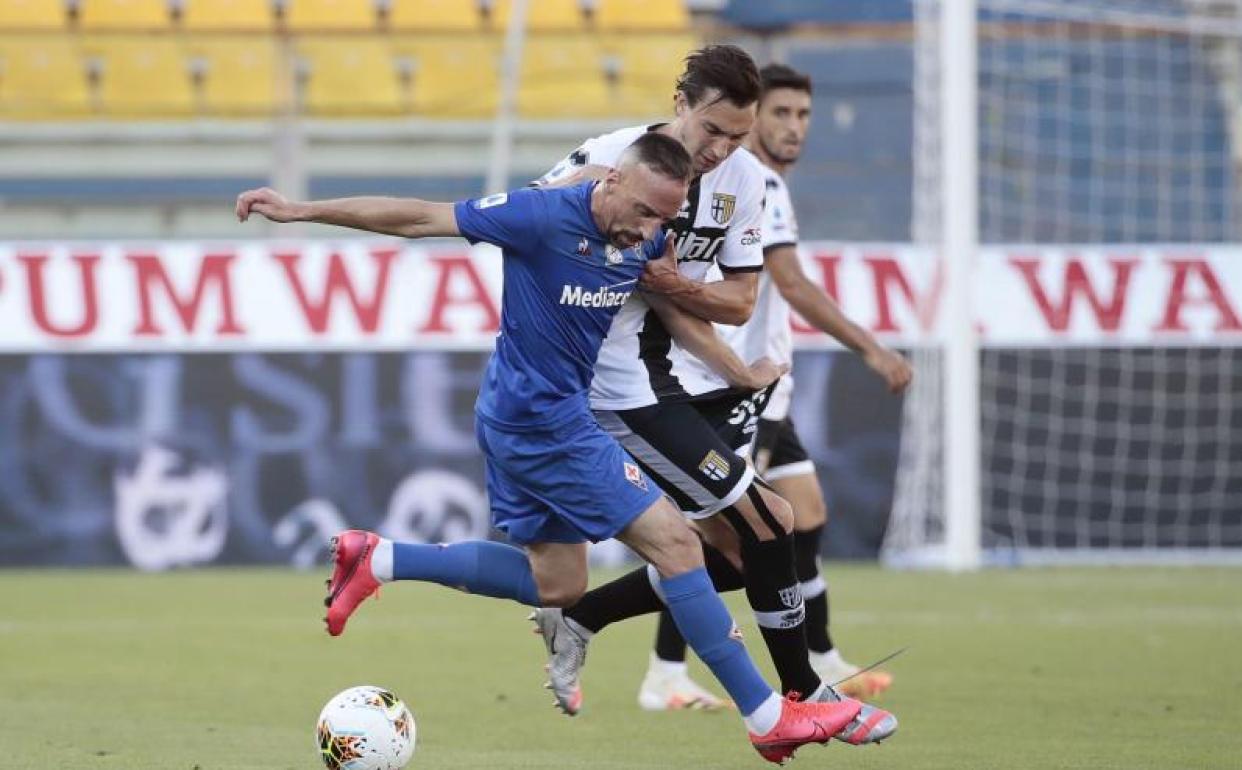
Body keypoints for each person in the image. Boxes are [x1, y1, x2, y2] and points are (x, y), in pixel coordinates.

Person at [234, 133, 885, 764]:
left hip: (517, 415)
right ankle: (769, 717)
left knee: (558, 583)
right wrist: (300, 209)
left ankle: (379, 559)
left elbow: (676, 311)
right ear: (611, 179)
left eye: (666, 216)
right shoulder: (538, 216)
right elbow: (418, 218)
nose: (651, 230)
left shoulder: (647, 233)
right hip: (546, 422)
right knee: (683, 546)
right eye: (643, 210)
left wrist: (739, 372)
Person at [528, 44, 894, 742]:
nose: (722, 148)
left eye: (736, 134)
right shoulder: (610, 157)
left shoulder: (746, 181)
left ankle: (579, 618)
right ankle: (802, 694)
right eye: (712, 131)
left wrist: (678, 291)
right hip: (609, 394)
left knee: (728, 551)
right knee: (771, 519)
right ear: (679, 105)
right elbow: (526, 219)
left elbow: (739, 299)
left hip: (674, 382)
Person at [638, 63, 914, 711]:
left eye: (803, 115)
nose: (792, 128)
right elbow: (788, 284)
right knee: (730, 537)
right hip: (727, 383)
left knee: (802, 513)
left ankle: (818, 656)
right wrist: (872, 349)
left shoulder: (751, 186)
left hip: (761, 382)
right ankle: (663, 666)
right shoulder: (747, 183)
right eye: (779, 114)